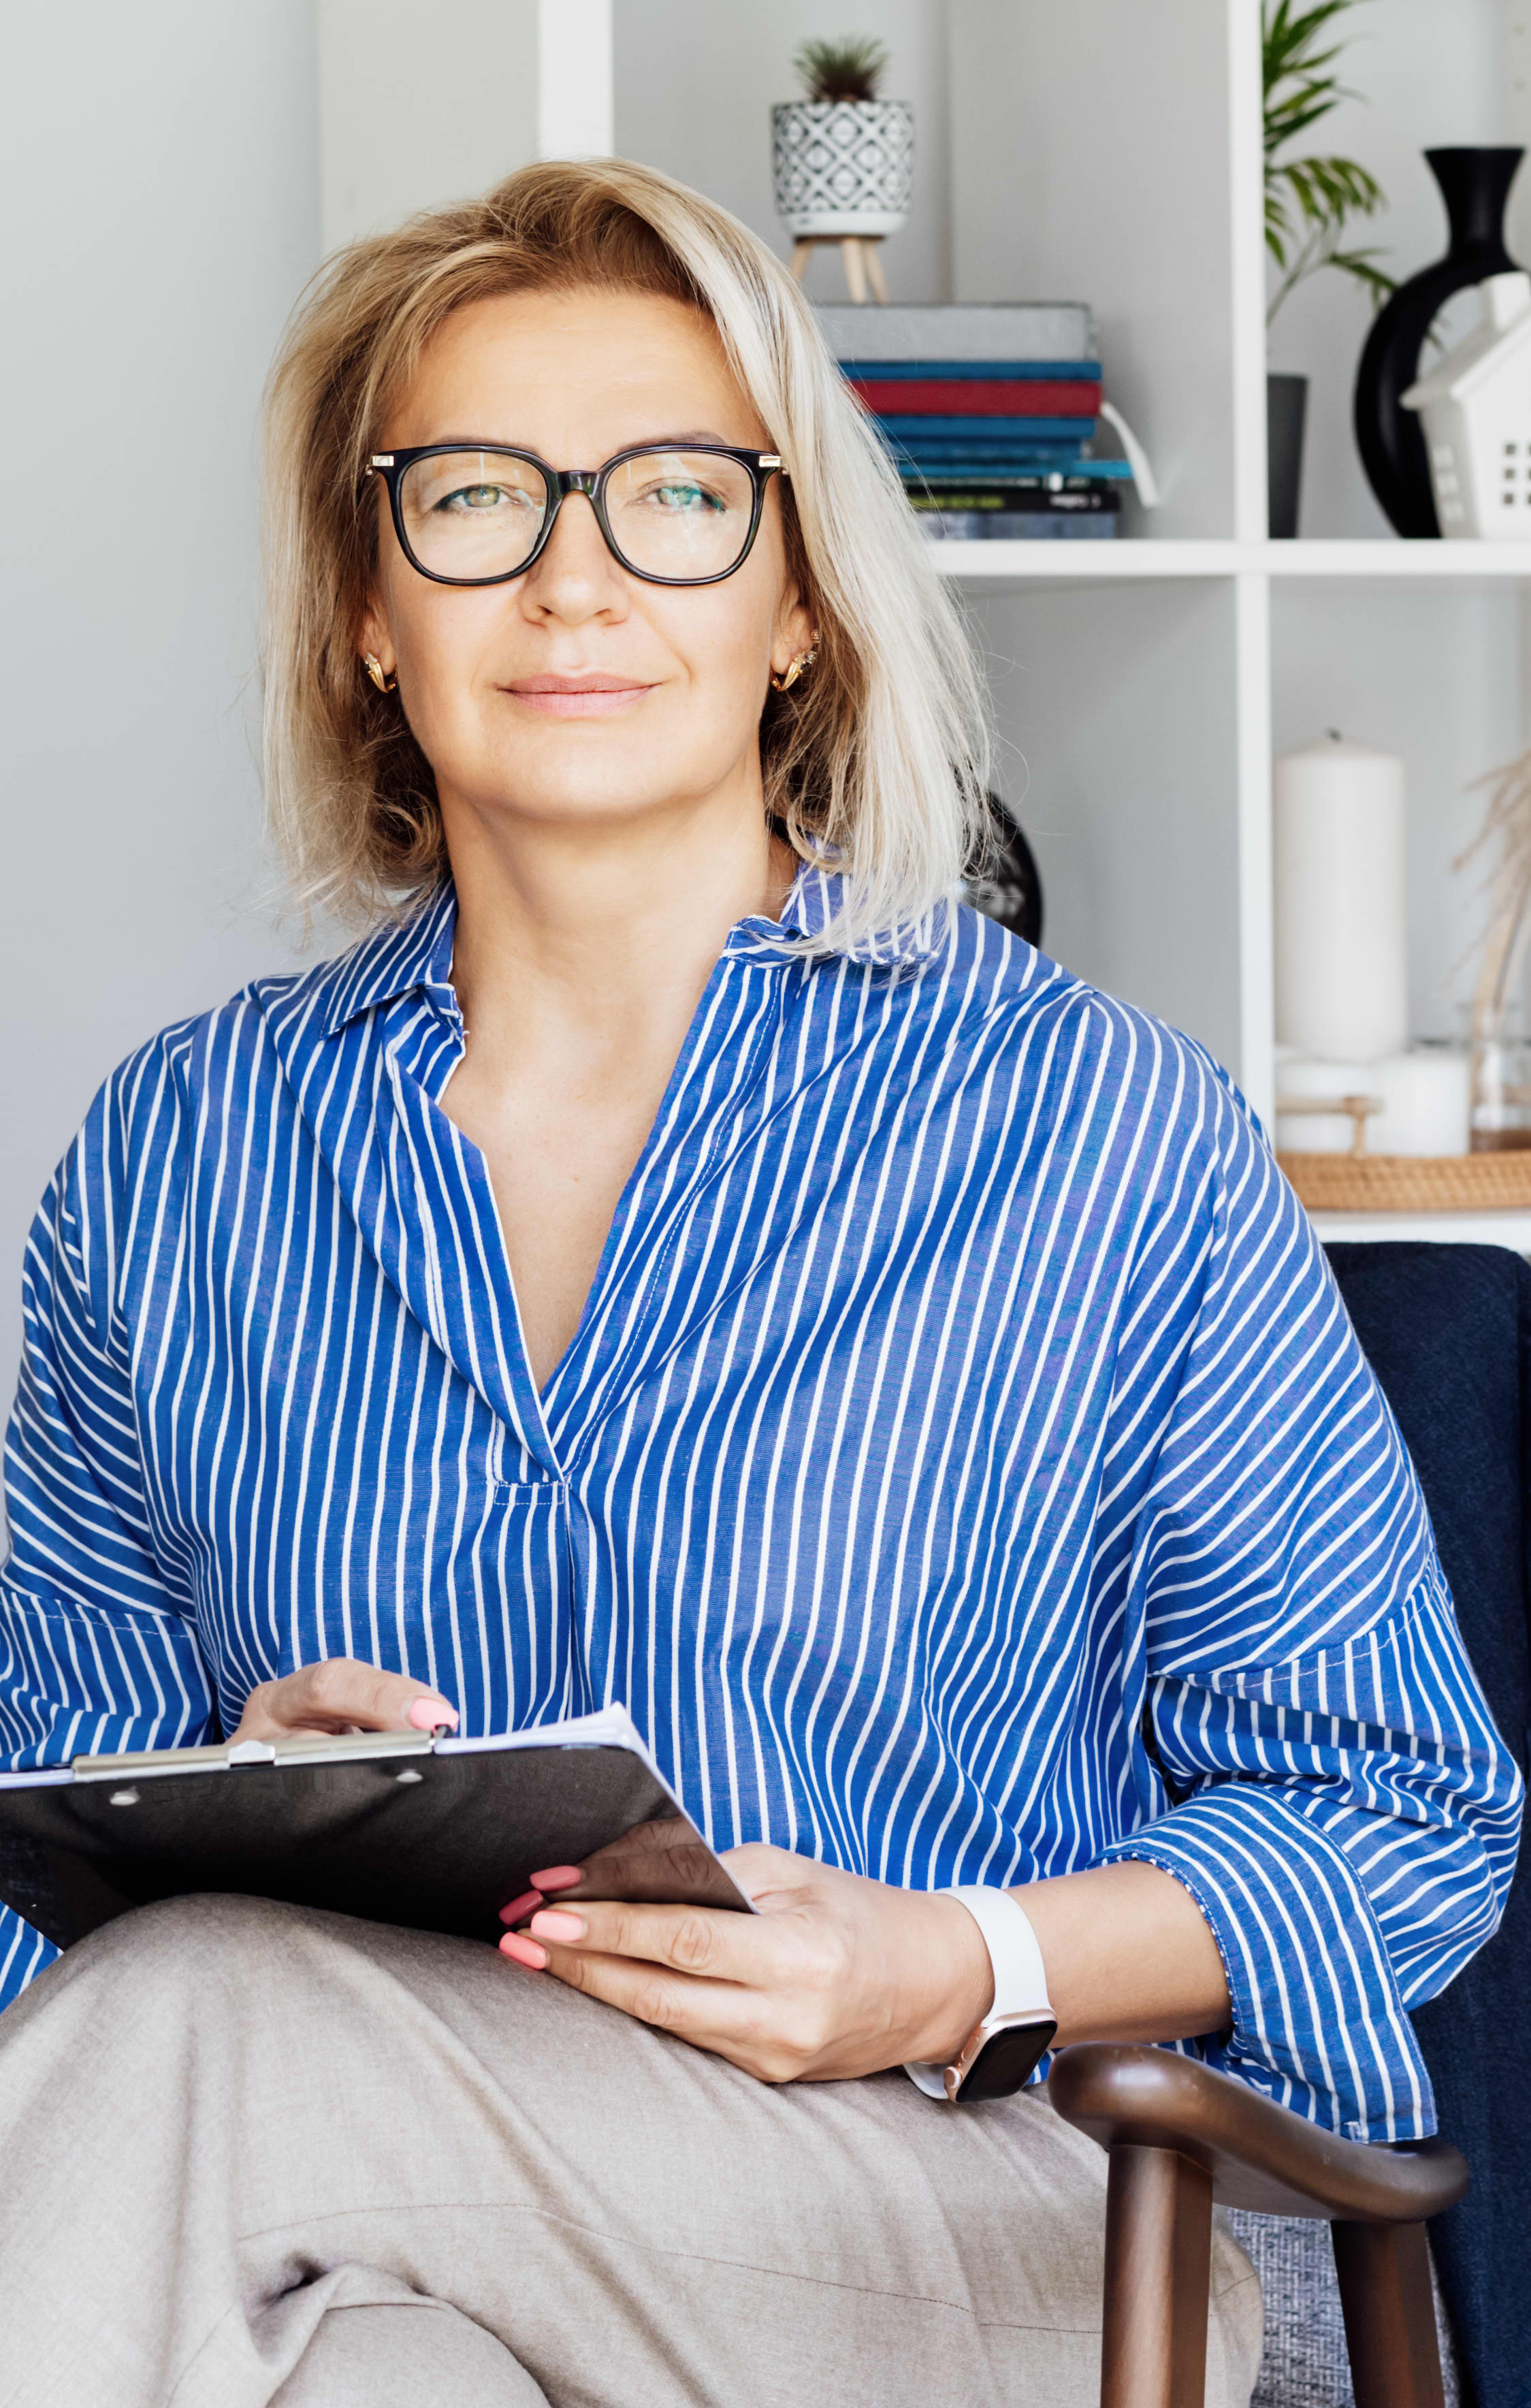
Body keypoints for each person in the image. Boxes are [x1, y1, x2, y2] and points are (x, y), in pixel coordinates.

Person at [0, 159, 1517, 2408]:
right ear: (364, 609)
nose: (577, 576)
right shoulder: (182, 1161)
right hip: (373, 2200)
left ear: (797, 599)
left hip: (1010, 2211)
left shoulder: (1090, 1129)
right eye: (473, 501)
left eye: (679, 498)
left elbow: (1398, 1815)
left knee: (203, 2015)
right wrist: (228, 1782)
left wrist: (946, 1967)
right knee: (374, 2363)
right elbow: (36, 1815)